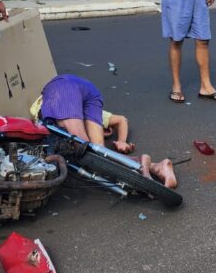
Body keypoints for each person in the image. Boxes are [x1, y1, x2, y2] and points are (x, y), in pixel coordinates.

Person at [36, 74, 178, 188]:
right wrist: (121, 140)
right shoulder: (87, 111)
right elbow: (121, 120)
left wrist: (122, 141)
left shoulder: (48, 105)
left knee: (80, 145)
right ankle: (156, 167)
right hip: (90, 90)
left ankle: (143, 170)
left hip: (60, 87)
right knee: (98, 152)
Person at [30, 94, 134, 154]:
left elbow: (121, 120)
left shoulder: (92, 115)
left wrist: (121, 141)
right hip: (45, 107)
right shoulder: (83, 112)